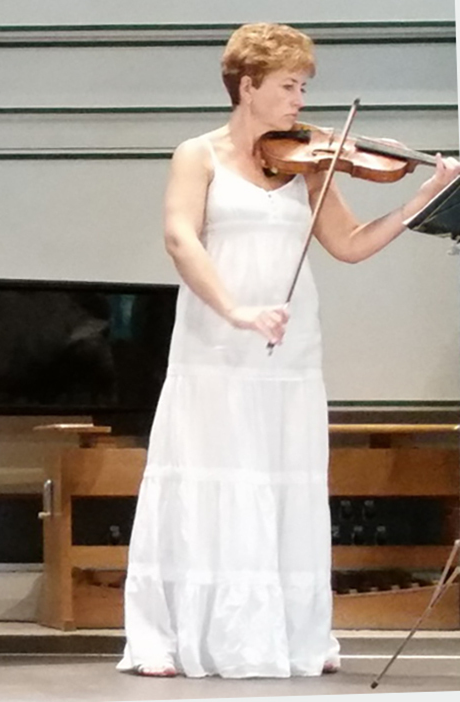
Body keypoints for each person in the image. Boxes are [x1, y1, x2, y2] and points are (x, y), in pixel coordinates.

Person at [116, 23, 460, 678]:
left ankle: (288, 635)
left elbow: (350, 243)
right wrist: (235, 309)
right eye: (288, 86)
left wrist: (419, 199)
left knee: (281, 481)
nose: (301, 101)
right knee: (214, 481)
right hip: (216, 345)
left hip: (290, 346)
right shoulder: (198, 155)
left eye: (303, 87)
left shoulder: (310, 164)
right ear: (247, 86)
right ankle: (178, 637)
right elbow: (180, 239)